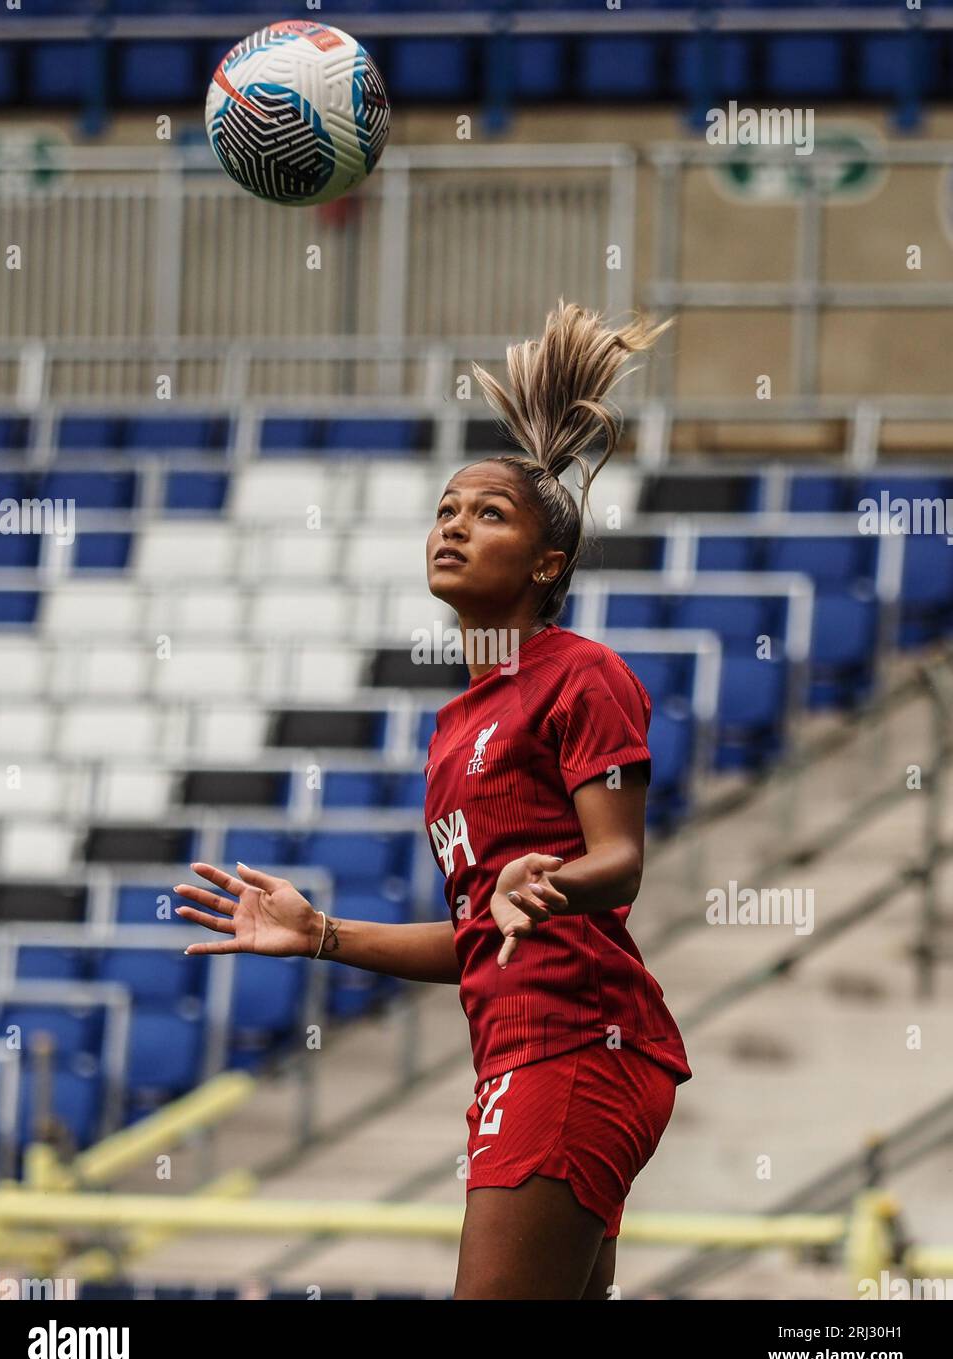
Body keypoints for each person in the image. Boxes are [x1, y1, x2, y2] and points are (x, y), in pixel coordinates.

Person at [175, 300, 692, 1300]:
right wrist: (324, 933)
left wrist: (551, 882)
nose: (454, 524)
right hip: (519, 1056)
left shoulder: (581, 674)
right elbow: (473, 938)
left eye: (488, 514)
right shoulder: (454, 727)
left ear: (549, 564)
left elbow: (620, 862)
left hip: (579, 1048)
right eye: (447, 509)